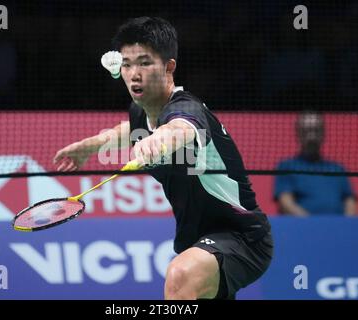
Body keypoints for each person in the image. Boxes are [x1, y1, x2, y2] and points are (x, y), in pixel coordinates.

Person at [53, 17, 273, 300]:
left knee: (180, 276)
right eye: (127, 64)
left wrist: (157, 141)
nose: (134, 74)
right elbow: (129, 128)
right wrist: (91, 146)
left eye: (145, 63)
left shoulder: (187, 108)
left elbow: (179, 129)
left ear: (169, 67)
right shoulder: (139, 111)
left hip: (241, 236)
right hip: (195, 240)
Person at [274, 112, 358, 216]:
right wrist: (314, 224)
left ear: (323, 133)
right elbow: (285, 202)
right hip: (302, 228)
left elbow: (350, 201)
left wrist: (346, 225)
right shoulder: (287, 167)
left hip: (339, 228)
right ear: (298, 133)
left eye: (316, 130)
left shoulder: (337, 169)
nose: (312, 136)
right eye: (306, 131)